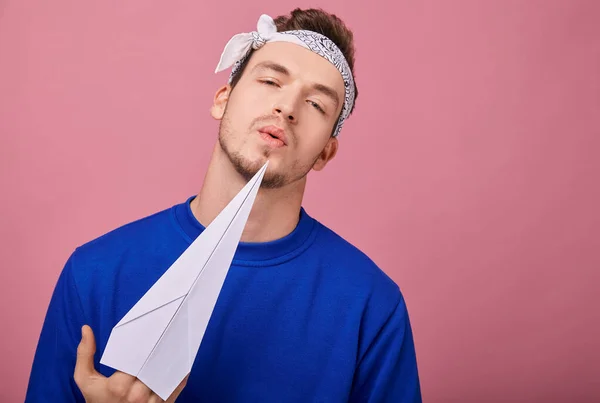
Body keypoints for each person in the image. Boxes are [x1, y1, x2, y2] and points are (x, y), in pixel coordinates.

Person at [25, 7, 422, 403]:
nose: (287, 108)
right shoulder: (93, 274)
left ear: (325, 153)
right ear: (222, 99)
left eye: (317, 104)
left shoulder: (372, 307)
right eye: (270, 80)